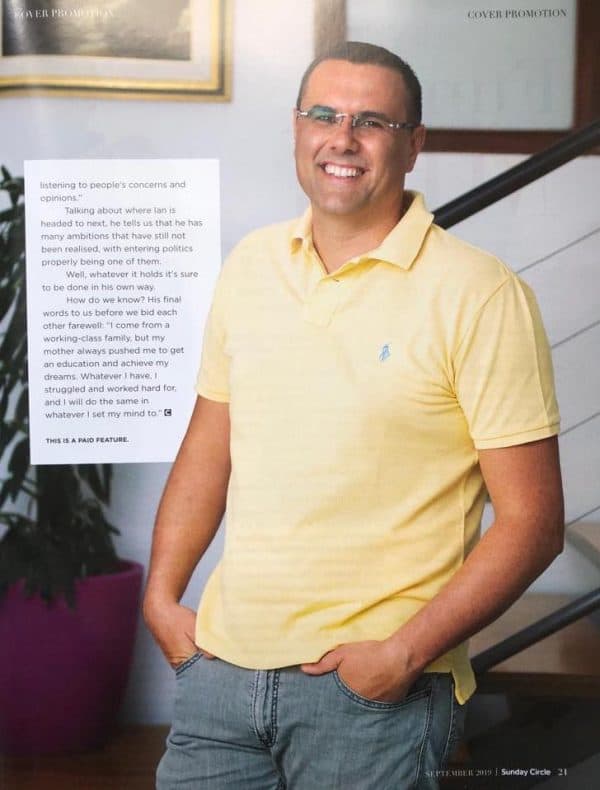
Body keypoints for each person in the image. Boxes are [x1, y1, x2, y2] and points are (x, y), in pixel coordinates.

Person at [144, 41, 564, 789]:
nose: (342, 138)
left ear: (414, 145)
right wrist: (160, 596)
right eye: (324, 115)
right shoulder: (252, 265)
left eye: (372, 121)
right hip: (220, 672)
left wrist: (401, 656)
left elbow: (533, 523)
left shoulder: (482, 295)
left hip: (372, 696)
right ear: (297, 128)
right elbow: (209, 447)